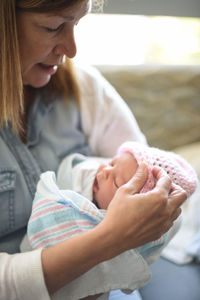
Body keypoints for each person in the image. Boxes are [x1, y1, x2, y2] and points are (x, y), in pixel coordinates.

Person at [0, 0, 187, 299]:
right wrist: (109, 239)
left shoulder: (82, 86)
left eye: (76, 24)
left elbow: (149, 177)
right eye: (53, 27)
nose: (72, 49)